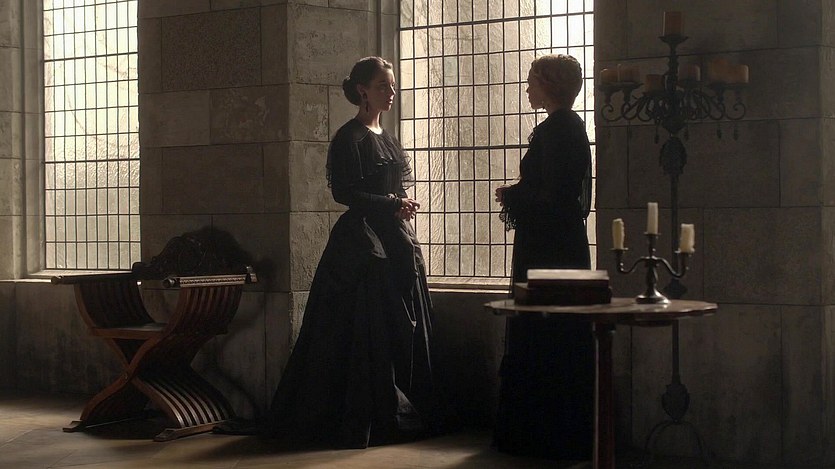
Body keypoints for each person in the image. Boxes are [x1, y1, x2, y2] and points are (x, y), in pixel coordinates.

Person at [263, 56, 444, 449]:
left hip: (395, 237)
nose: (391, 92)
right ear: (363, 91)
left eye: (392, 85)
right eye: (382, 86)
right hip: (363, 242)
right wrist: (391, 203)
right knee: (365, 323)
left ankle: (405, 409)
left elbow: (394, 185)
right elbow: (344, 193)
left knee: (404, 318)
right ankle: (366, 416)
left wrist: (402, 204)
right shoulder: (349, 137)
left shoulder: (386, 136)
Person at [492, 54, 595, 460]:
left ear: (549, 85)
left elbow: (553, 195)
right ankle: (561, 430)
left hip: (548, 249)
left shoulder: (556, 130)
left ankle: (541, 433)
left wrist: (512, 195)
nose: (527, 88)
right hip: (562, 244)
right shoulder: (569, 127)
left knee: (543, 330)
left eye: (532, 81)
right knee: (558, 332)